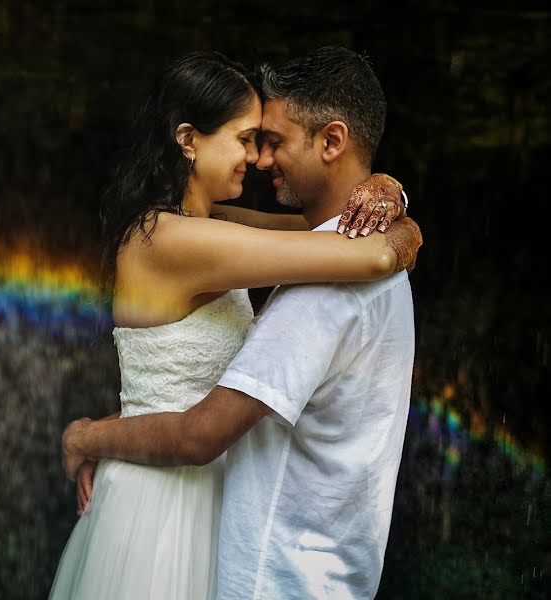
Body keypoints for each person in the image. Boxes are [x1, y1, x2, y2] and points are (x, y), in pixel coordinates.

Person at [52, 48, 421, 600]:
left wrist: (392, 193)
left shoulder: (210, 223)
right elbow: (363, 256)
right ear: (188, 140)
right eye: (246, 139)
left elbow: (318, 229)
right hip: (163, 506)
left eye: (266, 141)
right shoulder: (172, 240)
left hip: (212, 495)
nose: (258, 159)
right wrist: (408, 232)